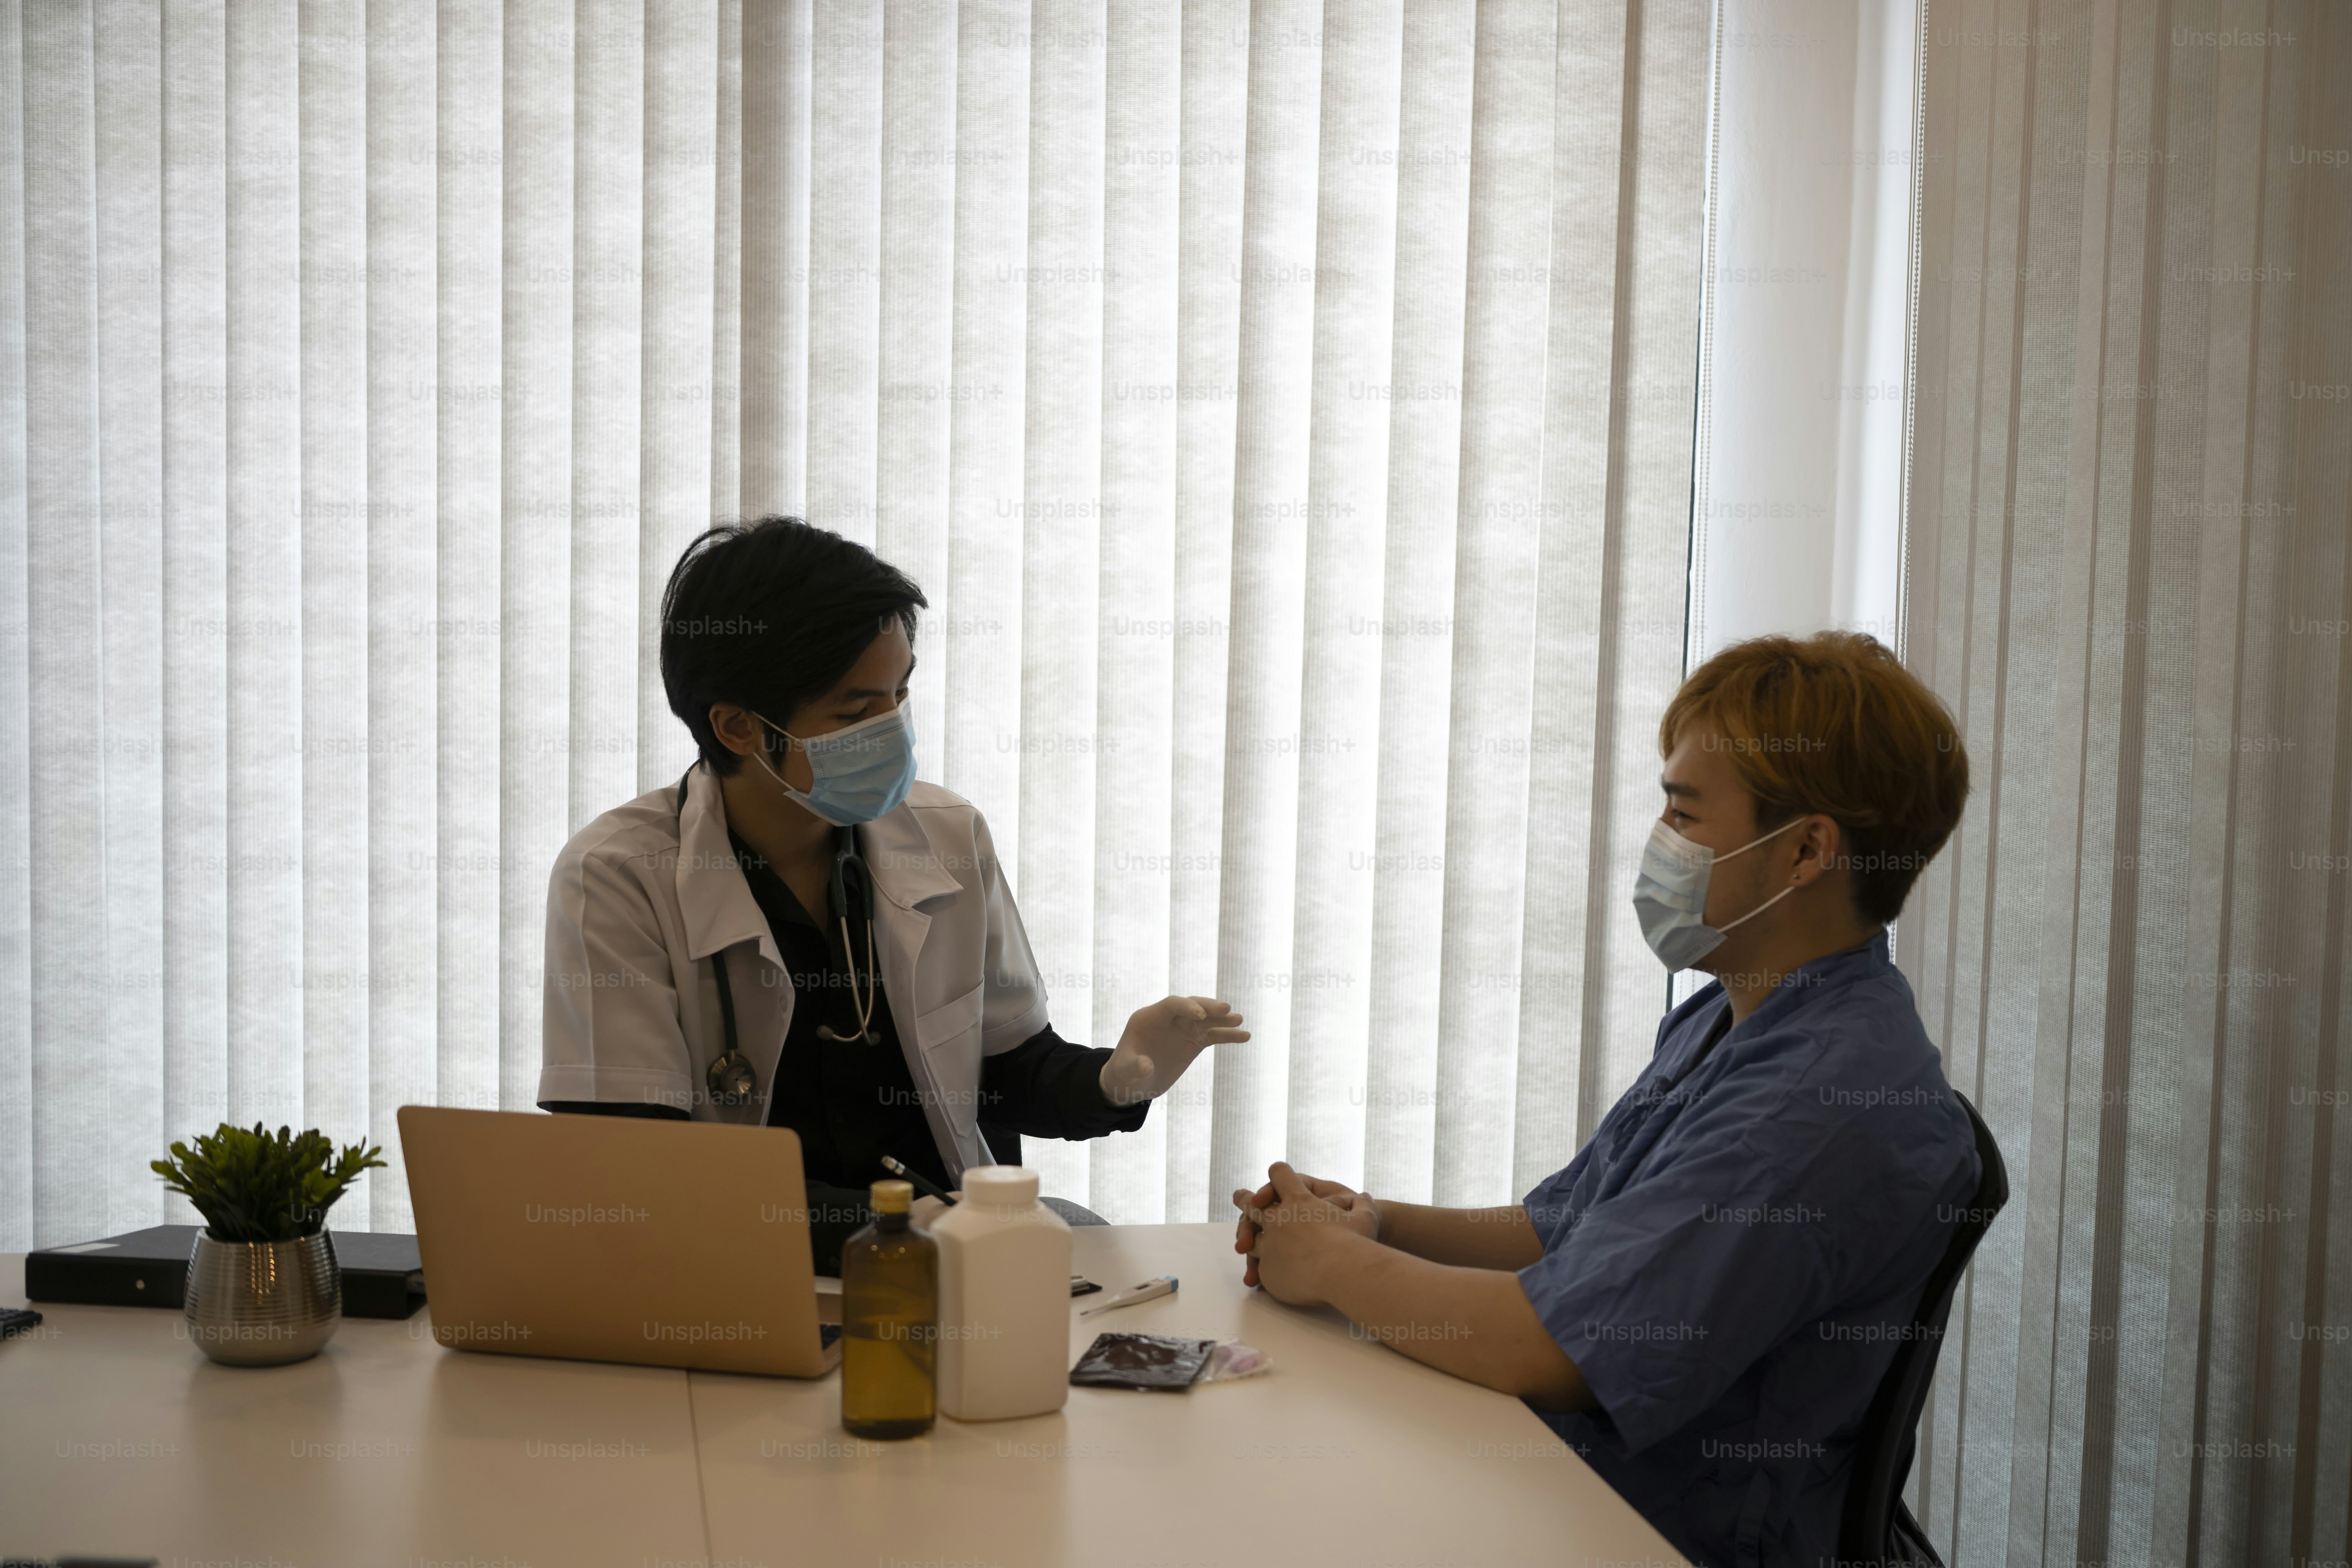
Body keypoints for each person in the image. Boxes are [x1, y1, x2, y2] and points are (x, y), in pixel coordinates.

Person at [1232, 630, 1979, 1568]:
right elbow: (1569, 1228)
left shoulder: (1818, 1107)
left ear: (1804, 852)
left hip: (1667, 1534)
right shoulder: (1735, 1015)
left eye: (1684, 812)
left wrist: (1335, 1265)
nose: (1660, 844)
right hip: (1583, 1487)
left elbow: (1558, 1349)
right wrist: (1376, 1222)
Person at [540, 517, 1246, 1270]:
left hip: (950, 1257)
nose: (893, 731)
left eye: (899, 695)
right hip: (745, 1266)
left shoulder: (947, 837)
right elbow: (636, 1164)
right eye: (854, 712)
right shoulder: (620, 876)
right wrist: (906, 1232)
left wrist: (1113, 1080)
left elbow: (1006, 1073)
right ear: (739, 726)